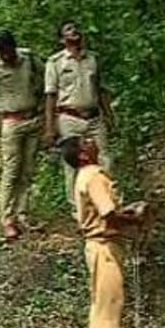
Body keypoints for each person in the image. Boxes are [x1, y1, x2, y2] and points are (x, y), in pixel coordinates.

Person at [62, 136, 147, 328]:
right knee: (109, 301)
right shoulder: (94, 176)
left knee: (101, 300)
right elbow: (108, 213)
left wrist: (125, 213)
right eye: (86, 142)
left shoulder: (85, 176)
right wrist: (134, 219)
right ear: (82, 155)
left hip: (99, 244)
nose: (93, 142)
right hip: (104, 245)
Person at [0, 29, 43, 241]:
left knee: (28, 170)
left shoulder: (28, 58)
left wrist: (43, 107)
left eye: (10, 50)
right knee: (11, 171)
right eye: (3, 52)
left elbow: (47, 81)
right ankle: (7, 219)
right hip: (11, 122)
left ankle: (23, 215)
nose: (8, 55)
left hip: (32, 119)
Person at [45, 20, 115, 207]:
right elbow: (51, 96)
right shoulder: (55, 62)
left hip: (94, 117)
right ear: (62, 39)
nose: (74, 30)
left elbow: (100, 89)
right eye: (68, 29)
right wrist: (50, 127)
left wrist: (109, 115)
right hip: (69, 118)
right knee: (73, 164)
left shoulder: (92, 59)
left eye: (75, 28)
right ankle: (78, 209)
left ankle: (108, 201)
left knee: (104, 158)